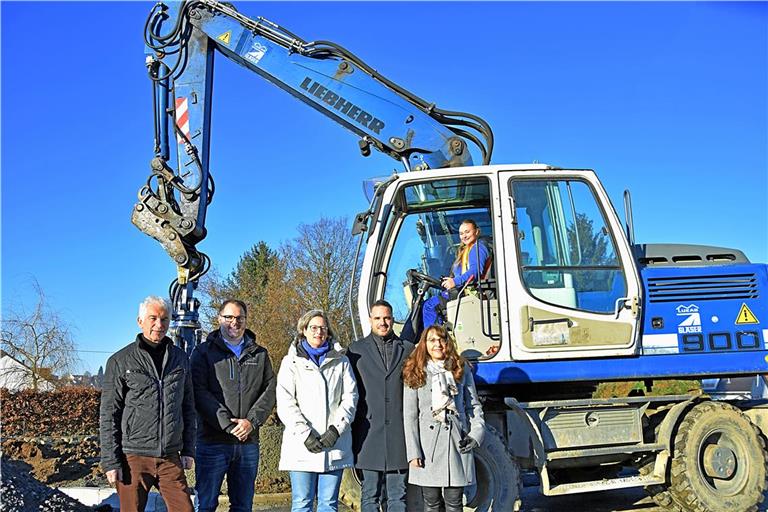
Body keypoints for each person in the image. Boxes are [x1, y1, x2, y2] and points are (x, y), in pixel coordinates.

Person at [99, 296, 195, 512]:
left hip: (170, 456)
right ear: (140, 321)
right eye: (153, 318)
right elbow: (109, 414)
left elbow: (188, 407)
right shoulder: (121, 361)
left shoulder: (180, 359)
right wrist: (111, 462)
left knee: (185, 509)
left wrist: (189, 449)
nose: (159, 325)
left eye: (164, 319)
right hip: (133, 456)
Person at [190, 299, 277, 512]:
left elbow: (270, 391)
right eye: (229, 317)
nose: (234, 322)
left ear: (246, 321)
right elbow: (199, 392)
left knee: (243, 506)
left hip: (247, 443)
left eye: (240, 318)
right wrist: (228, 424)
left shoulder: (260, 354)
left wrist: (251, 422)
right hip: (212, 442)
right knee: (206, 504)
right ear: (219, 319)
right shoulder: (203, 353)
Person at [276, 309, 358, 512]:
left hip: (334, 444)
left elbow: (350, 397)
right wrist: (305, 434)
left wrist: (335, 430)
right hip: (302, 445)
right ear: (303, 330)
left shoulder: (342, 361)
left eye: (323, 328)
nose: (318, 332)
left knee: (328, 505)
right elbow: (285, 401)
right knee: (302, 503)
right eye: (313, 327)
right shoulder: (290, 363)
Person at [402, 324, 485, 512]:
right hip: (427, 447)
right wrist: (413, 453)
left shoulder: (460, 368)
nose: (438, 344)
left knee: (455, 502)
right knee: (431, 502)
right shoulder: (415, 370)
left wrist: (475, 434)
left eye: (442, 339)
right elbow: (410, 416)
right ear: (424, 344)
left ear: (448, 343)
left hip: (456, 442)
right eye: (432, 340)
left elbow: (473, 405)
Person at [346, 300, 415, 512]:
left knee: (398, 497)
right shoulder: (355, 351)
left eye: (386, 318)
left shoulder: (408, 349)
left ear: (392, 319)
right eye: (377, 318)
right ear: (370, 320)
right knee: (369, 496)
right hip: (368, 435)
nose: (382, 322)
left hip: (399, 434)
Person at [422, 219, 492, 327]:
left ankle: (434, 337)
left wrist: (455, 282)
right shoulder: (466, 250)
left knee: (429, 306)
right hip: (463, 291)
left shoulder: (478, 247)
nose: (464, 236)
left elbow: (475, 271)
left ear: (477, 231)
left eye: (467, 232)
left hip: (471, 294)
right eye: (461, 233)